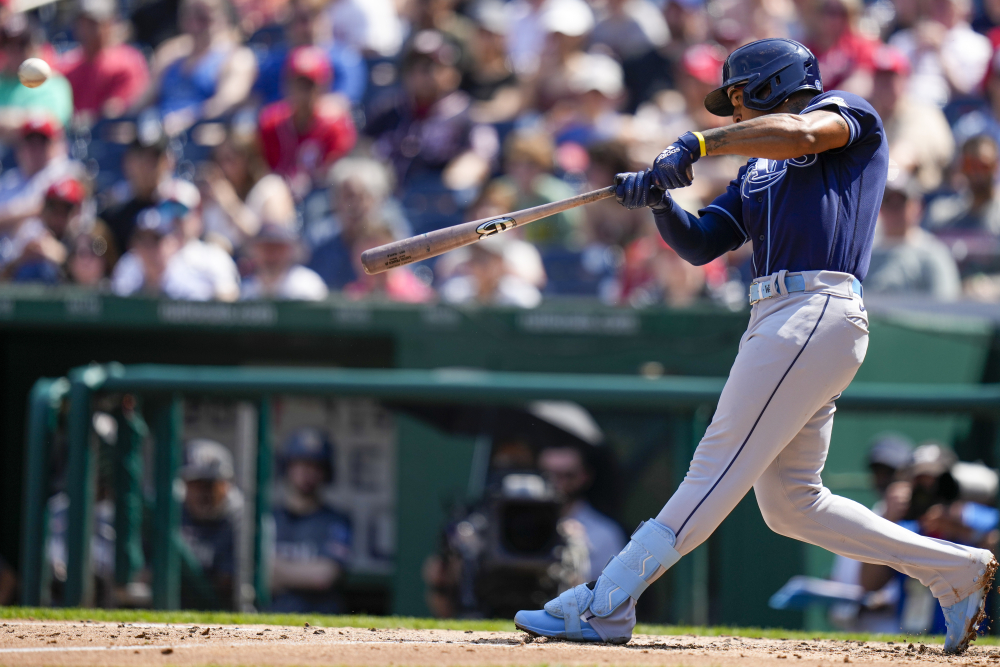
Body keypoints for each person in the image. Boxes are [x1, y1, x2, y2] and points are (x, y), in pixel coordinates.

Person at [514, 38, 998, 654]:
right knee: (792, 504)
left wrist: (698, 144)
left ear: (774, 82)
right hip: (781, 316)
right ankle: (953, 571)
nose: (733, 109)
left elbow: (800, 134)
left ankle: (607, 602)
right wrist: (660, 201)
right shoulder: (757, 167)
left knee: (713, 468)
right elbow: (703, 242)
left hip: (814, 305)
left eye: (740, 95)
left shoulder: (843, 113)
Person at [133, 0, 257, 135]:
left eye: (203, 18)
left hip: (205, 134)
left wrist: (188, 119)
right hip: (161, 134)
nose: (195, 25)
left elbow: (228, 101)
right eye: (189, 17)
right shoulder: (169, 55)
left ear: (222, 17)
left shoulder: (237, 57)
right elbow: (144, 99)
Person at [269, 428, 352, 613]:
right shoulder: (268, 518)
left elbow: (324, 577)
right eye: (301, 464)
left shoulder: (335, 521)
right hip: (271, 618)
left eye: (316, 466)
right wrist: (302, 573)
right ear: (287, 467)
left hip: (322, 621)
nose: (307, 473)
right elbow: (258, 576)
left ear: (326, 472)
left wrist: (278, 570)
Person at [111, 183, 241, 300]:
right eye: (166, 209)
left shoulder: (214, 256)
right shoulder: (137, 259)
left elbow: (228, 301)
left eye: (181, 210)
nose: (174, 219)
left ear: (198, 214)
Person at [258, 45, 357, 199]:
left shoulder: (336, 125)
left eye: (308, 85)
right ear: (286, 84)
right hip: (280, 196)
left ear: (322, 86)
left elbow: (332, 174)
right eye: (297, 83)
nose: (302, 92)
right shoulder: (270, 121)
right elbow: (264, 169)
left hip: (322, 198)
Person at [868, 45, 954, 195]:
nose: (884, 84)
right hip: (889, 200)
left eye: (891, 78)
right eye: (879, 77)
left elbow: (901, 161)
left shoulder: (921, 113)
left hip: (928, 200)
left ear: (905, 80)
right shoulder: (872, 117)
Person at [253, 0, 367, 107]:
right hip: (275, 126)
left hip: (323, 127)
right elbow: (254, 101)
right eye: (297, 20)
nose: (305, 27)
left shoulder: (345, 59)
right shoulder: (273, 62)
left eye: (311, 18)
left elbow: (342, 103)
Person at [199, 127, 295, 252]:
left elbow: (272, 243)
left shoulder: (271, 188)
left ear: (248, 160)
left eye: (229, 159)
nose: (222, 167)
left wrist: (231, 205)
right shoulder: (216, 193)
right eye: (218, 160)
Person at [866, 173, 961, 299]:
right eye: (889, 202)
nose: (895, 210)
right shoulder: (865, 255)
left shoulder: (934, 254)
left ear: (917, 206)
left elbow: (946, 306)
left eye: (901, 202)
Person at [538, 445, 626, 581]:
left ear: (585, 476)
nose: (556, 483)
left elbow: (612, 595)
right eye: (547, 475)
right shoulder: (513, 522)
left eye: (568, 475)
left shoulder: (604, 534)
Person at [57, 0, 150, 124]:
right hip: (75, 136)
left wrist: (88, 120)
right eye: (82, 22)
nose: (86, 29)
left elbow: (118, 110)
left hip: (110, 134)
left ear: (109, 24)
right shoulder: (68, 65)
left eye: (92, 23)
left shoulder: (128, 61)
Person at [0, 115, 81, 249]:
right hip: (9, 257)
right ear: (20, 148)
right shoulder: (9, 180)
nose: (35, 150)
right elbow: (40, 210)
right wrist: (32, 211)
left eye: (42, 143)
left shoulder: (65, 172)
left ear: (53, 146)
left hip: (53, 251)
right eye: (30, 143)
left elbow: (67, 217)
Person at [179, 438, 242, 610]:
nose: (201, 493)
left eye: (209, 485)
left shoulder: (239, 516)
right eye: (195, 484)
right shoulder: (173, 510)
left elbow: (227, 582)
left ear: (226, 485)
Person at [0, 14, 73, 132]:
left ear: (35, 45)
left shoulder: (53, 83)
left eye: (21, 44)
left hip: (35, 147)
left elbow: (50, 124)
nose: (14, 51)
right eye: (7, 43)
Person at [925, 135, 1000, 234]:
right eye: (970, 165)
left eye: (983, 166)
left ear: (995, 166)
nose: (977, 172)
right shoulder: (942, 215)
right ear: (961, 167)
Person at [240, 223, 328, 300]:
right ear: (254, 251)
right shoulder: (246, 291)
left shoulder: (308, 286)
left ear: (290, 251)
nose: (272, 255)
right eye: (266, 249)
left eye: (278, 249)